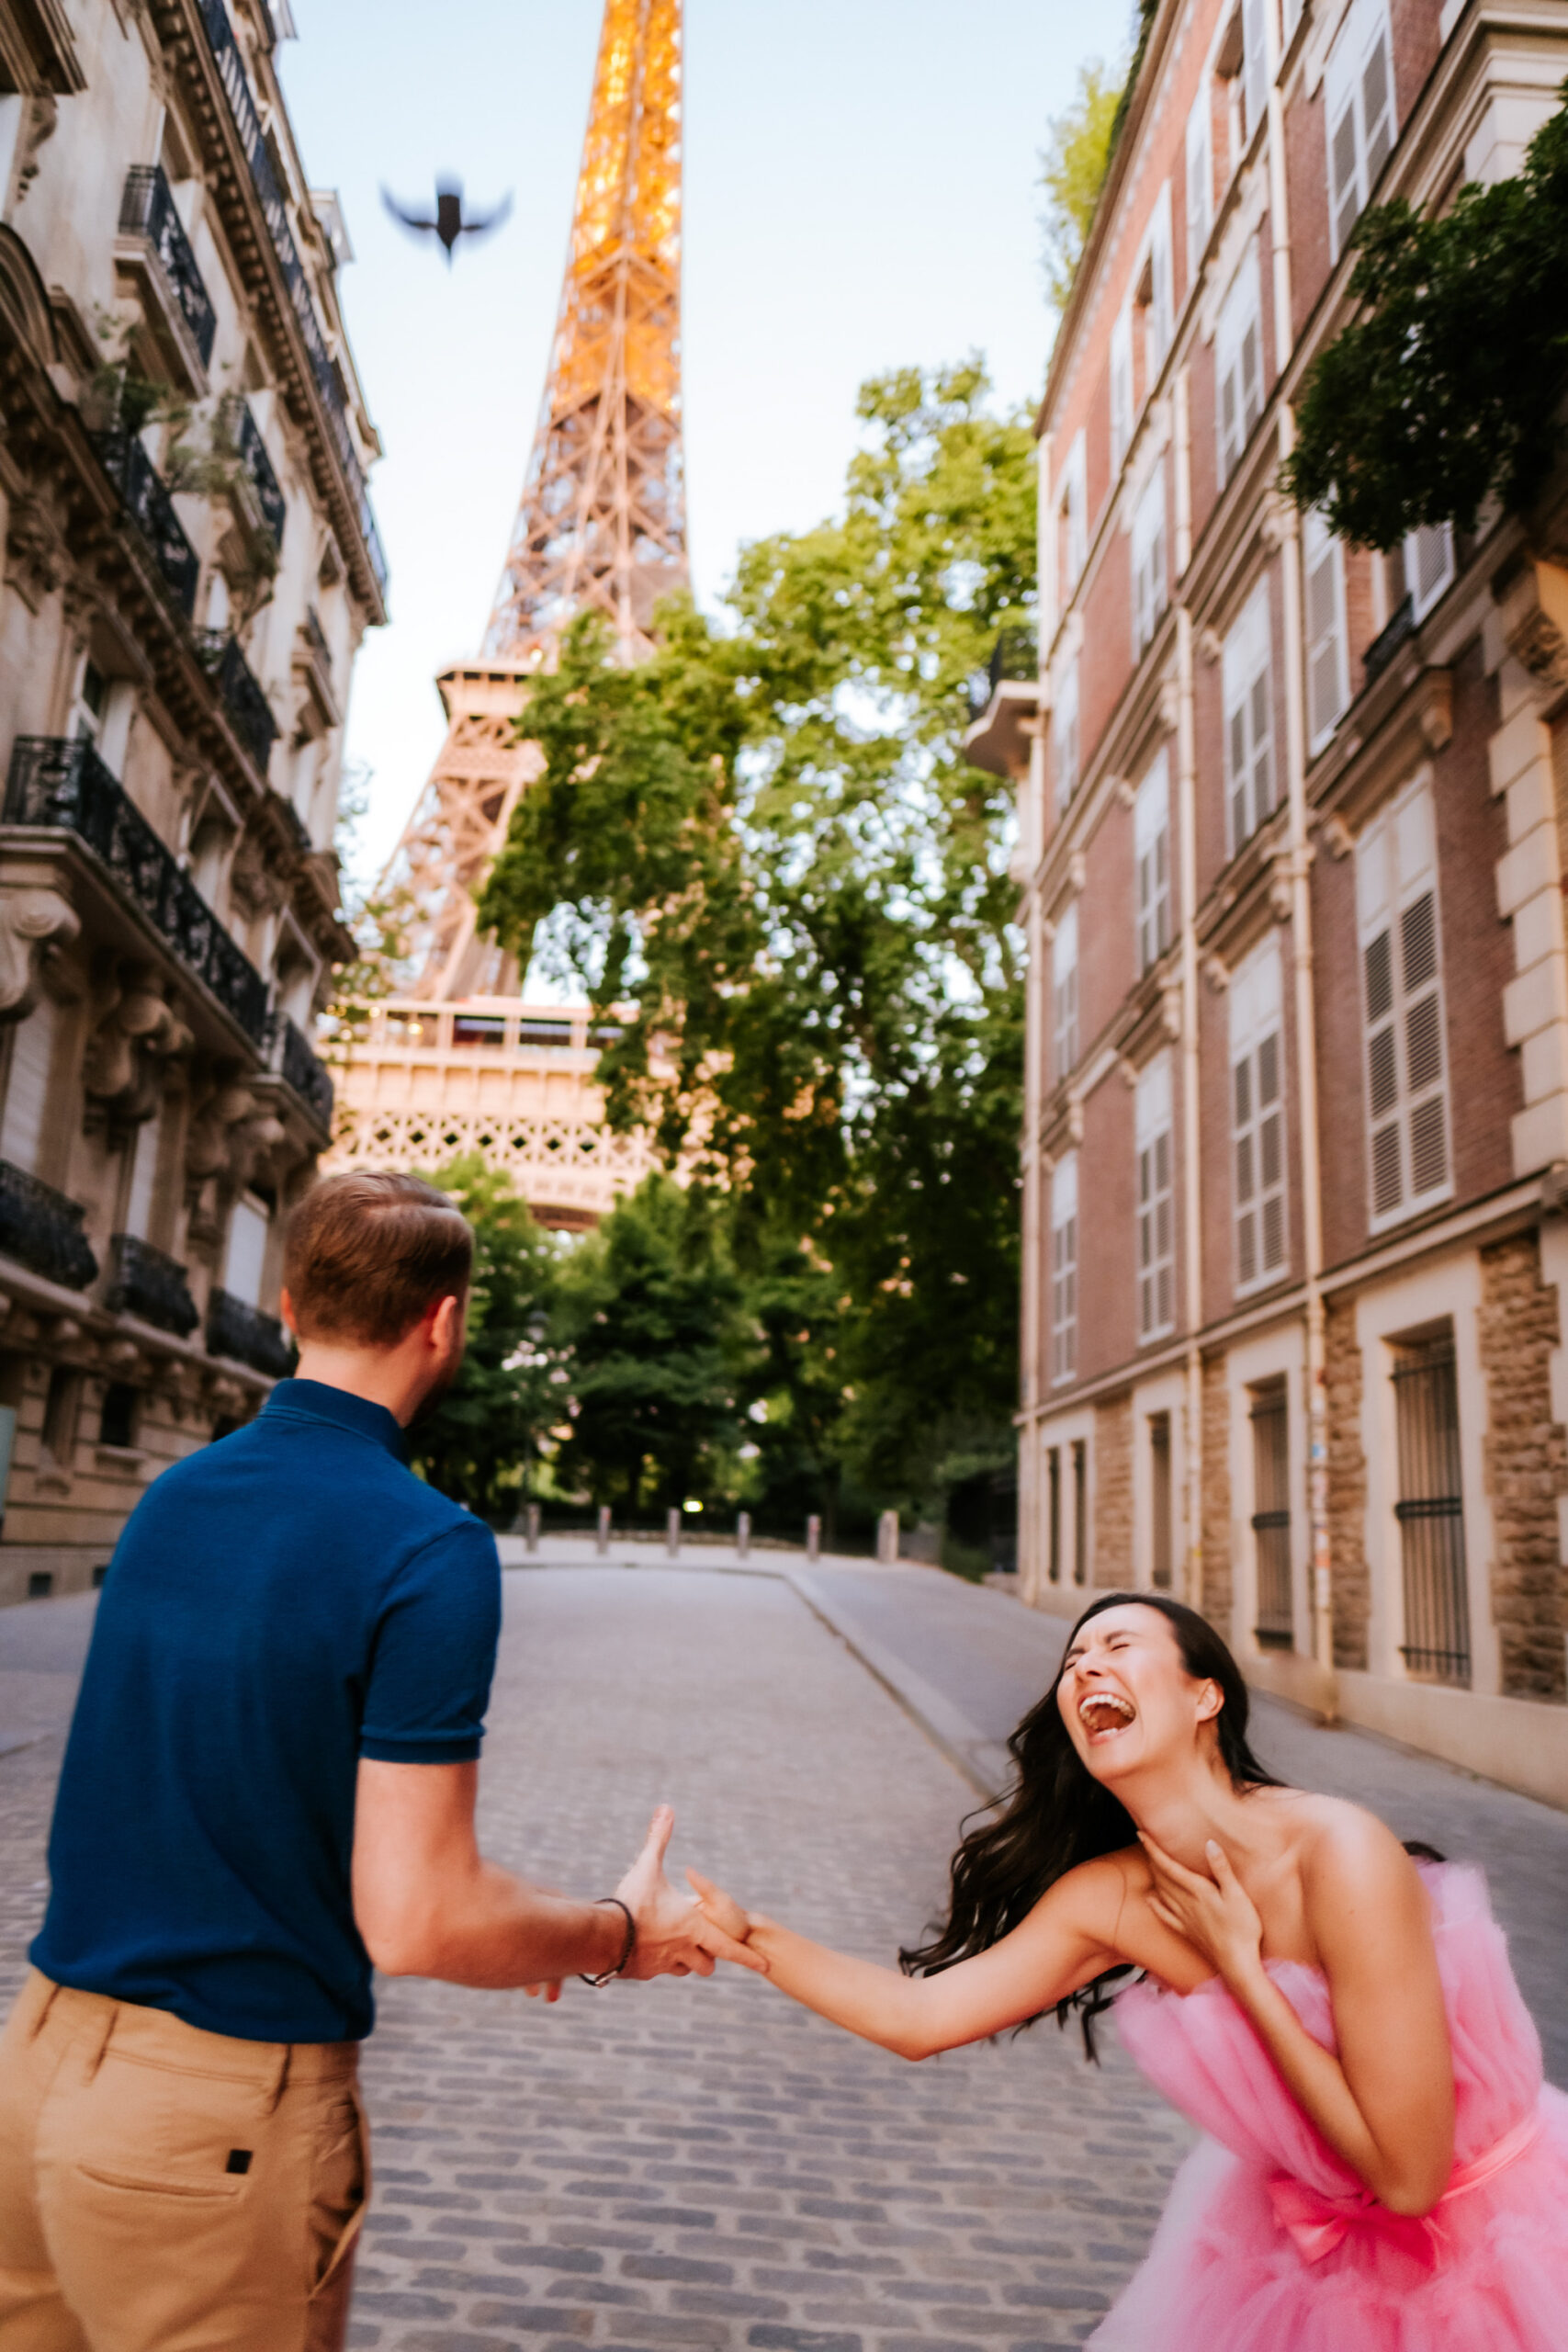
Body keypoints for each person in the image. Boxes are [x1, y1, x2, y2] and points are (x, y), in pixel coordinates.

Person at [0, 1170, 756, 2352]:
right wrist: (615, 1932)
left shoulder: (171, 1498)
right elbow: (419, 1916)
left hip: (35, 2071)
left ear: (291, 1303)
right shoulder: (427, 1547)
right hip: (213, 2124)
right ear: (444, 1320)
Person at [691, 1590, 1568, 2347]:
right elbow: (920, 2022)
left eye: (1117, 1646)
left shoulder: (1336, 1850)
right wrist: (749, 1935)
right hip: (1306, 2259)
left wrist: (1240, 1970)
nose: (1083, 1669)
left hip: (1499, 2242)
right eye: (1072, 1659)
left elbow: (1408, 2181)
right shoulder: (1108, 1897)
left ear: (1204, 1696)